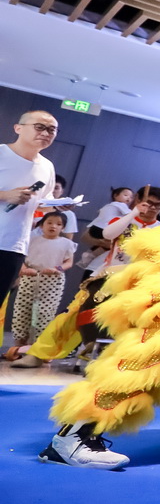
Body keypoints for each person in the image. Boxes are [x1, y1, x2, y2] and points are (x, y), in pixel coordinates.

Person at [1, 111, 58, 341]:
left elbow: (43, 201)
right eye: (40, 127)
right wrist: (5, 195)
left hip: (14, 245)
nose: (46, 133)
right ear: (18, 128)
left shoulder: (47, 166)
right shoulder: (2, 153)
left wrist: (57, 206)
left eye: (52, 130)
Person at [5, 211, 74, 365]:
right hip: (30, 277)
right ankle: (18, 346)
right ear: (42, 225)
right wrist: (23, 269)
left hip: (52, 281)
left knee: (44, 313)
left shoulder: (66, 243)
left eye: (58, 224)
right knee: (22, 311)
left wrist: (57, 269)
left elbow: (69, 262)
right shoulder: (31, 239)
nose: (53, 226)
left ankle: (39, 349)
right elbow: (21, 257)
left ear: (63, 228)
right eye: (49, 223)